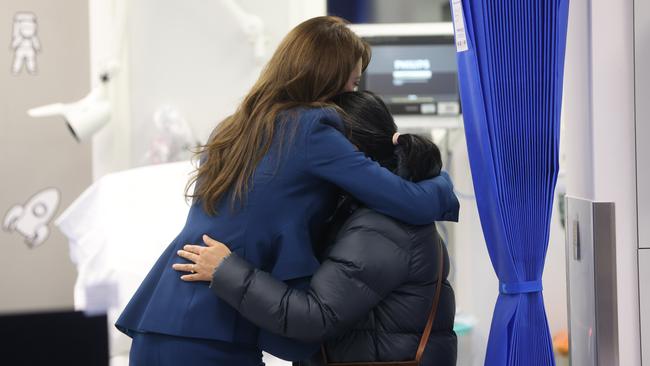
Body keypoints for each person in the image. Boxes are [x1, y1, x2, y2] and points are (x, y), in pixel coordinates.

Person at [117, 16, 459, 366]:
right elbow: (407, 201)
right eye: (353, 83)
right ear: (328, 77)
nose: (354, 95)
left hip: (163, 318)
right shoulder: (312, 129)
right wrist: (443, 183)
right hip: (213, 328)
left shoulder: (236, 127)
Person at [176, 91, 457, 365]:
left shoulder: (381, 227)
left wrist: (227, 270)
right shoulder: (373, 212)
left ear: (349, 153)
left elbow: (315, 316)